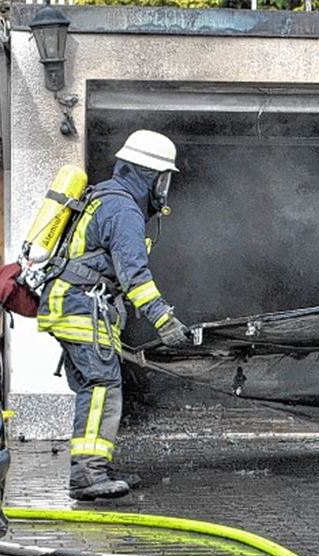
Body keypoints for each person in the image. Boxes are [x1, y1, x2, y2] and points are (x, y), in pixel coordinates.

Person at [36, 130, 192, 500]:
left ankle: (97, 467)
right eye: (162, 178)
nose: (164, 187)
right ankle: (87, 475)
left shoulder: (104, 197)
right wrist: (163, 319)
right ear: (147, 174)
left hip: (73, 305)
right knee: (101, 388)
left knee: (97, 388)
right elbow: (134, 274)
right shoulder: (123, 210)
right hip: (81, 308)